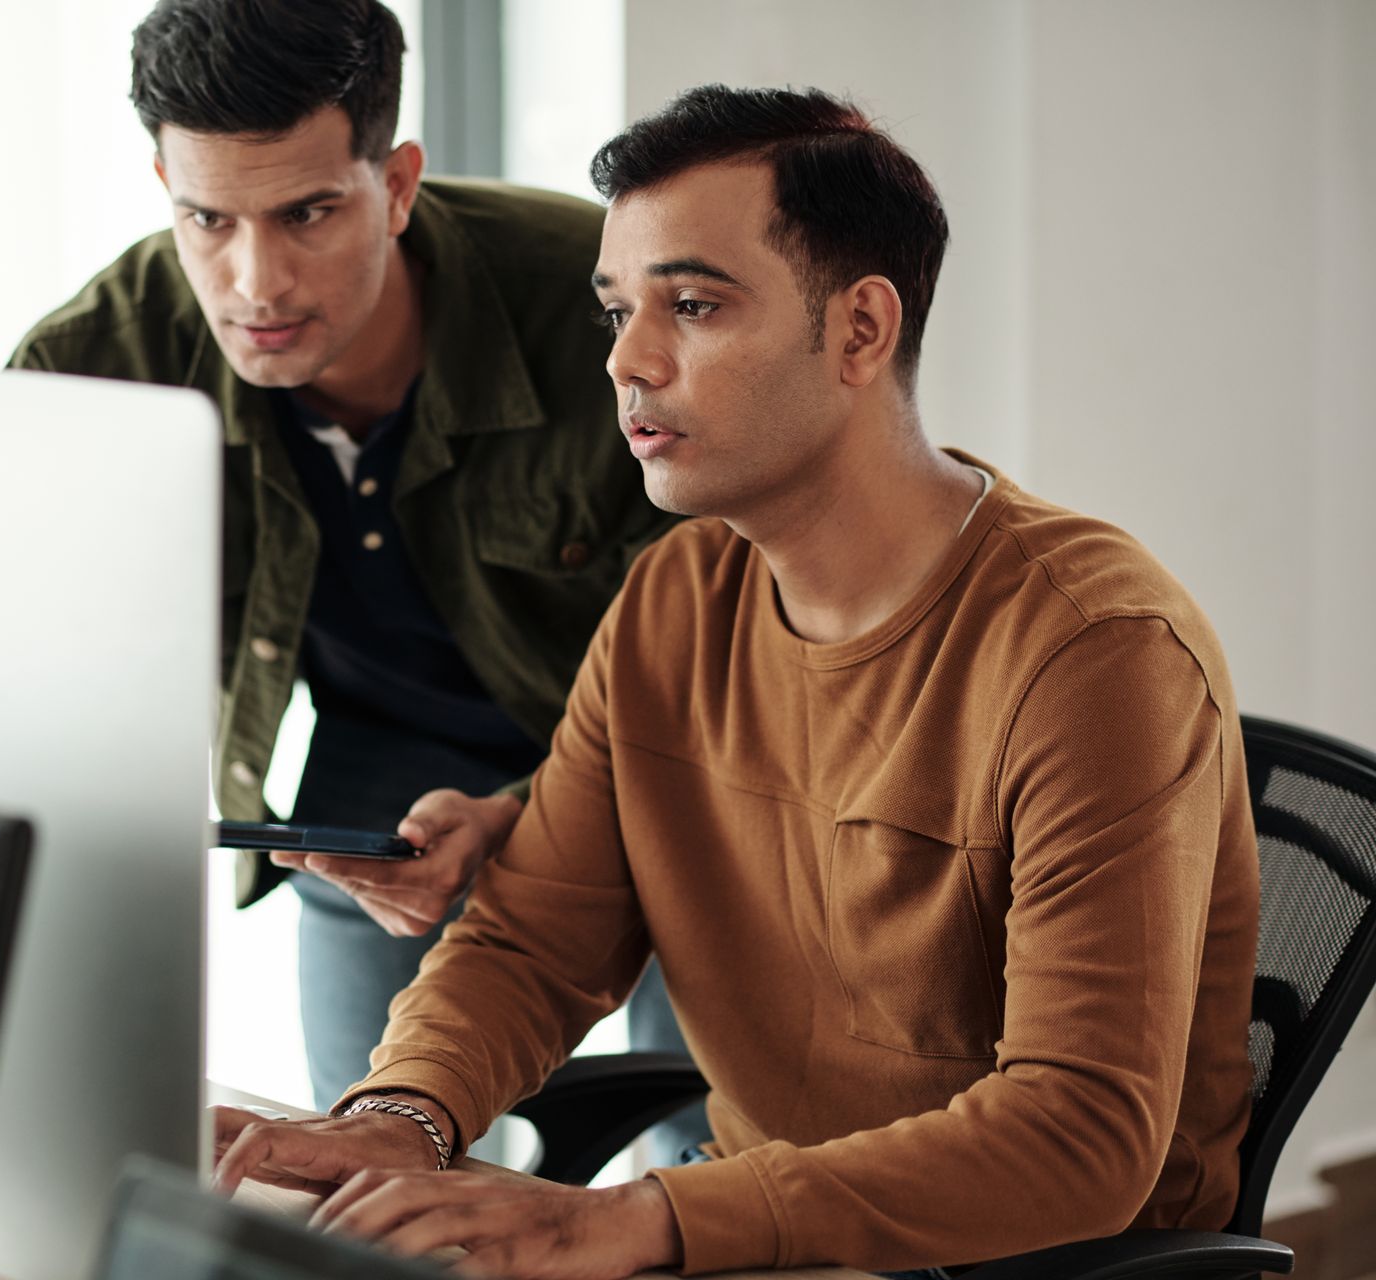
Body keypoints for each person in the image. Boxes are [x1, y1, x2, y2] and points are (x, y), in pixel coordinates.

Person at [212, 85, 1259, 1279]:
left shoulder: (1096, 650)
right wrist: (397, 1117)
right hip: (766, 1242)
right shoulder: (675, 599)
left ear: (862, 329)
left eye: (694, 305)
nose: (628, 360)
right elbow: (533, 937)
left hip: (1023, 1262)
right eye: (617, 311)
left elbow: (1081, 1138)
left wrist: (620, 1217)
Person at [6, 0, 694, 1135]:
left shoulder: (602, 313)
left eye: (308, 212)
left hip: (670, 762)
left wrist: (531, 813)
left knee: (709, 1155)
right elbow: (18, 653)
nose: (255, 282)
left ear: (400, 183)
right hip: (382, 787)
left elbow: (739, 654)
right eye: (207, 219)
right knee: (371, 1156)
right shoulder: (97, 363)